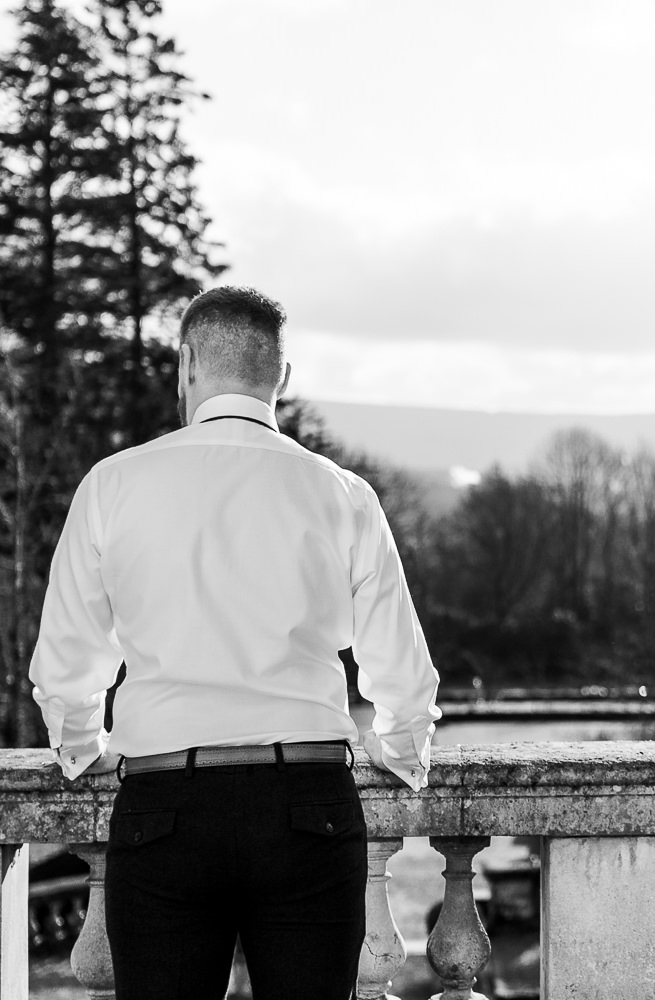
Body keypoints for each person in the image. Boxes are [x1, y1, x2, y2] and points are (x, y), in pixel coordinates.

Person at [28, 285, 442, 999]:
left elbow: (65, 668)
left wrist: (80, 746)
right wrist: (401, 754)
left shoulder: (112, 485)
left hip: (164, 807)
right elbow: (404, 676)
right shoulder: (342, 494)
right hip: (306, 801)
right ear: (282, 376)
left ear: (186, 363)